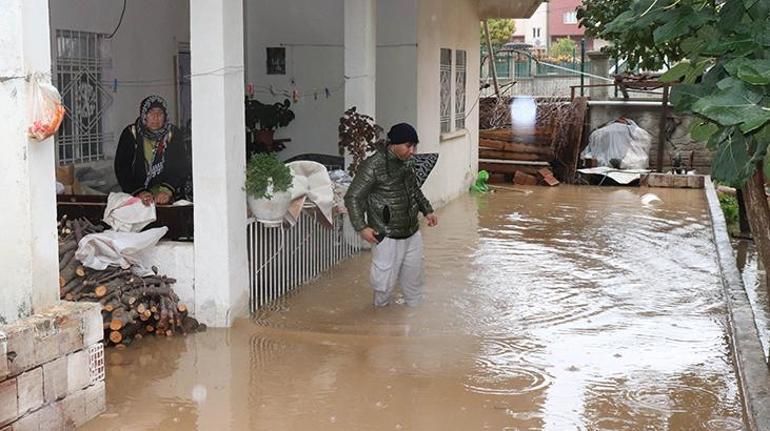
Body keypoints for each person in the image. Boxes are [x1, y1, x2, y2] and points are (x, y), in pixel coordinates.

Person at [344, 122, 438, 307]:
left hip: (411, 232)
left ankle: (412, 325)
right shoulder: (373, 165)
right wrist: (361, 227)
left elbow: (414, 190)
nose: (412, 151)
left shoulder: (409, 162)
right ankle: (379, 326)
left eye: (414, 146)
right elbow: (353, 197)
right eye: (408, 146)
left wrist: (427, 210)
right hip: (385, 234)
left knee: (414, 283)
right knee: (384, 286)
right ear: (393, 144)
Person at [115, 95, 191, 206]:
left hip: (165, 192)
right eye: (151, 113)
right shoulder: (131, 133)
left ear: (165, 116)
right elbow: (122, 167)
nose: (156, 117)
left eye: (160, 113)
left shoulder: (173, 134)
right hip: (138, 192)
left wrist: (166, 190)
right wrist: (139, 192)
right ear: (144, 115)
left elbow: (180, 166)